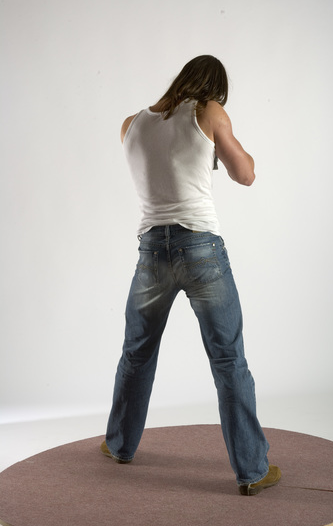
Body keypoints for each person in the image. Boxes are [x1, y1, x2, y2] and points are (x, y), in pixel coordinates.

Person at [101, 55, 281, 496]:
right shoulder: (210, 112)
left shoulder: (131, 124)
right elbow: (247, 174)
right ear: (211, 89)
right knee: (228, 359)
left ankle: (121, 446)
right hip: (201, 248)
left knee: (136, 353)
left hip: (151, 252)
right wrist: (223, 145)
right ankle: (253, 472)